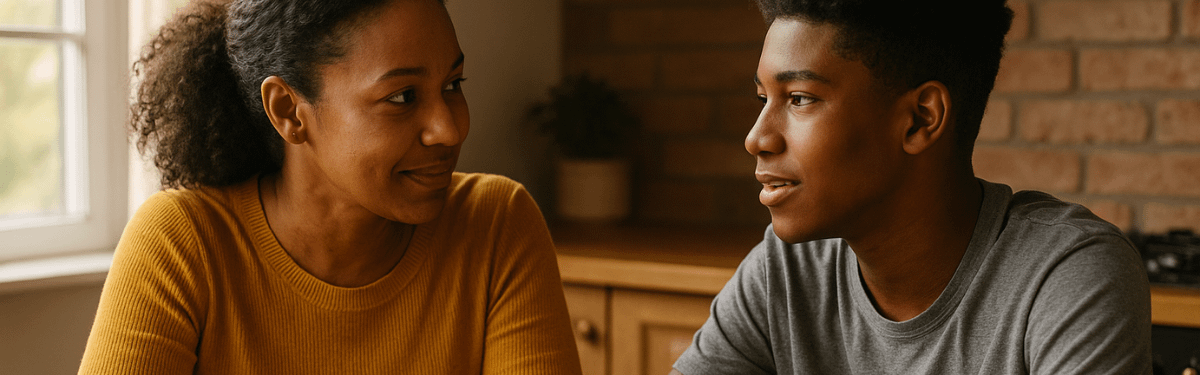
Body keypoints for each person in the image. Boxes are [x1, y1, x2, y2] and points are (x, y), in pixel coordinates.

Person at [79, 0, 582, 373]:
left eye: (453, 85)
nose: (449, 130)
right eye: (403, 97)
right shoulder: (183, 241)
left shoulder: (496, 224)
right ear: (289, 111)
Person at [671, 1, 1152, 374]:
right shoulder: (787, 271)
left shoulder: (1067, 275)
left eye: (799, 98)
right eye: (763, 98)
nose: (757, 138)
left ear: (921, 119)